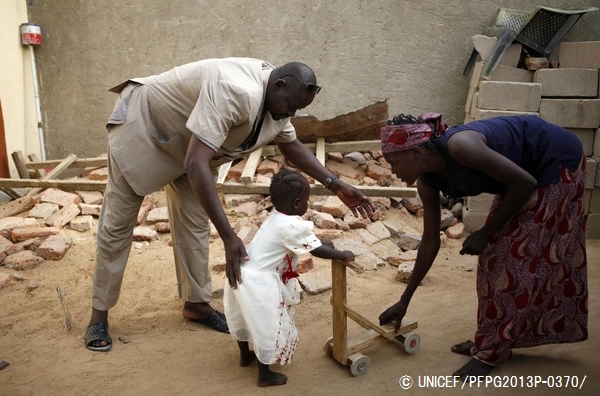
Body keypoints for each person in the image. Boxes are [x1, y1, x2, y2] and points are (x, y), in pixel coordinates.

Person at [85, 57, 375, 352]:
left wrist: (334, 183)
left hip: (193, 144)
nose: (292, 113)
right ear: (278, 85)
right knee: (118, 225)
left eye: (299, 108)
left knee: (194, 224)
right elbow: (196, 163)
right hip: (146, 128)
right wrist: (228, 236)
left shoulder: (280, 103)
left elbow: (291, 145)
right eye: (291, 105)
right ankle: (99, 315)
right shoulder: (235, 91)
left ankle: (196, 304)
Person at [378, 113, 588, 379]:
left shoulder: (460, 147)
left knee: (514, 260)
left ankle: (491, 352)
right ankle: (493, 340)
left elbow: (525, 184)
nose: (394, 172)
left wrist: (486, 233)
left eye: (395, 163)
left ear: (416, 153)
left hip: (555, 164)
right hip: (521, 176)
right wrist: (404, 301)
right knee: (494, 258)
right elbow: (430, 240)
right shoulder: (427, 182)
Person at [224, 169, 354, 387]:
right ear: (296, 203)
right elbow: (315, 250)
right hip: (260, 284)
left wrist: (318, 240)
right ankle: (264, 374)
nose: (307, 204)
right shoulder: (292, 225)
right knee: (267, 325)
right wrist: (343, 255)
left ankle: (245, 355)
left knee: (245, 317)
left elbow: (304, 240)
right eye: (306, 200)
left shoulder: (276, 218)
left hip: (242, 275)